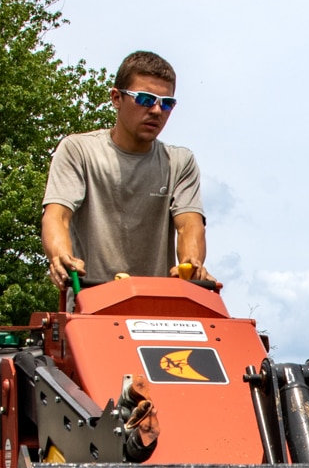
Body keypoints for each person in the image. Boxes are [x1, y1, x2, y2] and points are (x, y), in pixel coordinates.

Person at [42, 50, 215, 290]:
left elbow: (189, 225)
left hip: (157, 306)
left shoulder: (179, 161)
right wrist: (61, 256)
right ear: (116, 98)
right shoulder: (78, 150)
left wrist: (191, 262)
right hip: (89, 305)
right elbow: (57, 215)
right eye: (145, 99)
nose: (156, 110)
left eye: (166, 104)